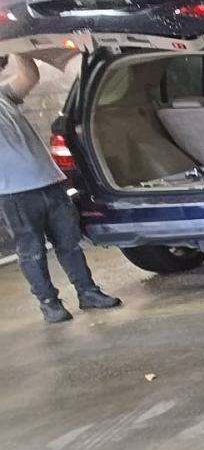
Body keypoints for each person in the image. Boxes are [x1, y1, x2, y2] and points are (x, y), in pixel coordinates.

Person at [1, 54, 122, 323]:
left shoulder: (3, 96)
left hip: (50, 183)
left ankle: (88, 292)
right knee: (32, 251)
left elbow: (29, 77)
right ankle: (49, 303)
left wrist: (20, 47)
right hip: (14, 193)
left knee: (70, 244)